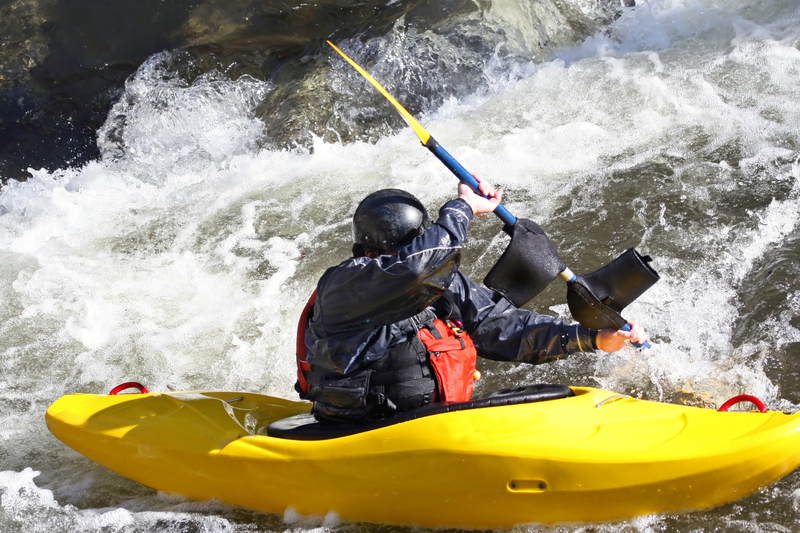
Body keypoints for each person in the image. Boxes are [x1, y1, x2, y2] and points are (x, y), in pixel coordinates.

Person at [295, 179, 648, 423]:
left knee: (550, 394)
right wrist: (463, 206)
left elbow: (503, 326)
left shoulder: (437, 282)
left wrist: (591, 337)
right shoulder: (345, 284)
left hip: (432, 423)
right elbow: (417, 269)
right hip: (364, 429)